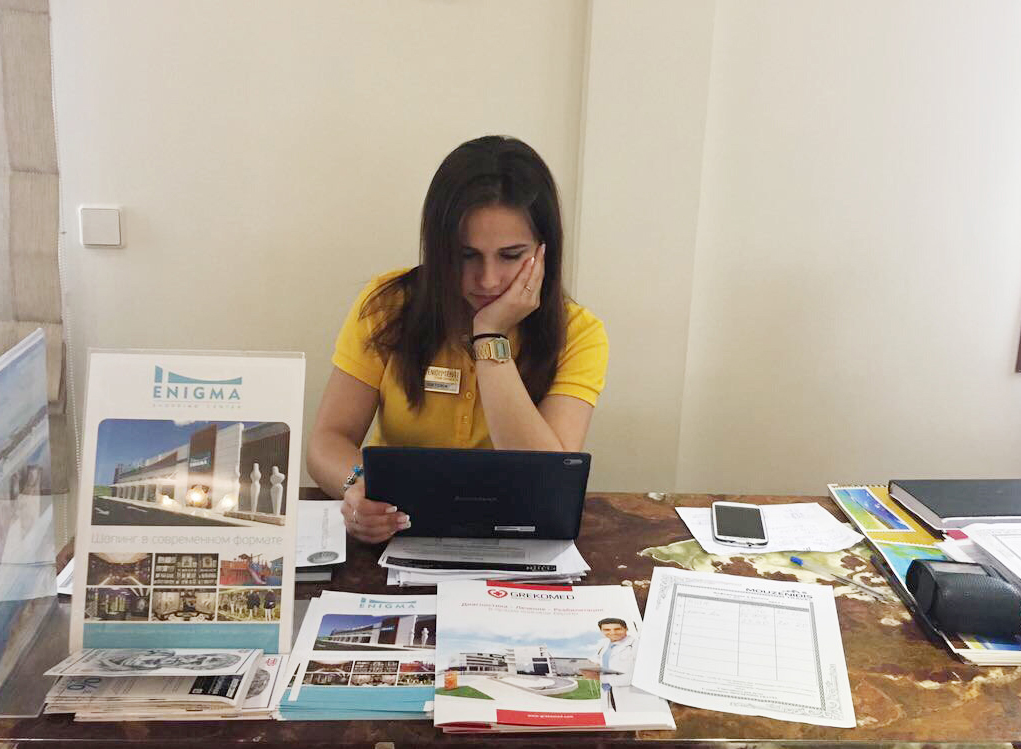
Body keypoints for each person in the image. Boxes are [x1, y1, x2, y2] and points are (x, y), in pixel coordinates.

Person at [308, 135, 609, 543]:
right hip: (401, 532)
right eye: (466, 255)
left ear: (544, 252)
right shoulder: (388, 306)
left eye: (510, 255)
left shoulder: (579, 333)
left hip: (516, 537)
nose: (488, 279)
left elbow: (545, 483)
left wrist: (490, 336)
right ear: (437, 248)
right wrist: (356, 486)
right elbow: (327, 441)